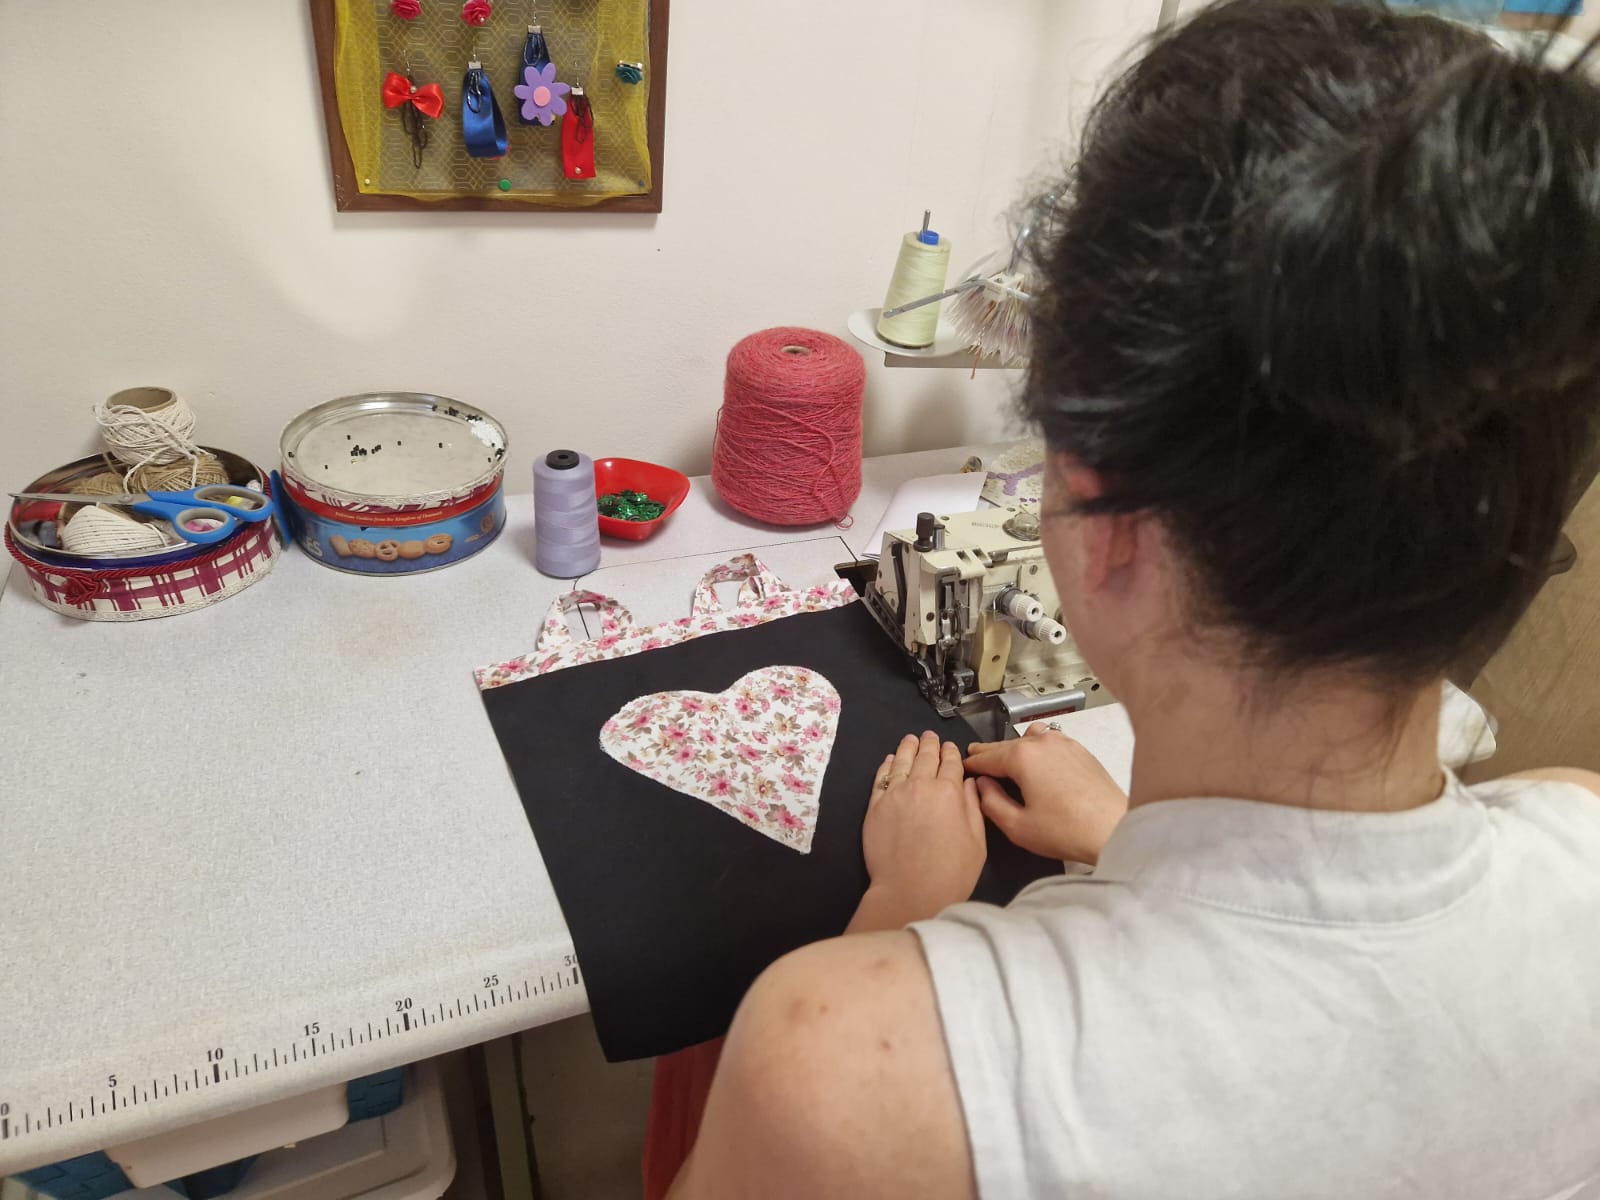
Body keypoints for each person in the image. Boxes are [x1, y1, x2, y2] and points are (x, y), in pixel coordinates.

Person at [668, 1, 1600, 1195]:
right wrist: (1120, 842)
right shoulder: (1582, 843)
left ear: (1103, 528)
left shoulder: (848, 1065)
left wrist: (901, 909)